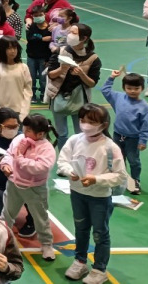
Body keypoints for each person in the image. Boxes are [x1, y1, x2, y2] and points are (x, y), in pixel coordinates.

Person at [56, 104, 128, 284]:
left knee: (100, 233)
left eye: (91, 122)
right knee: (80, 229)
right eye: (82, 120)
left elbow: (120, 176)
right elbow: (62, 161)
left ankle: (99, 269)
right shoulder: (74, 140)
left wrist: (96, 179)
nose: (85, 124)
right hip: (77, 193)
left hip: (99, 198)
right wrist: (70, 172)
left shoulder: (110, 148)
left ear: (103, 125)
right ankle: (80, 261)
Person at [0, 114, 58, 262]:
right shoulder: (19, 139)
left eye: (28, 131)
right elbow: (9, 154)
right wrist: (6, 164)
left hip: (35, 188)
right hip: (14, 183)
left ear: (40, 134)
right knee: (6, 213)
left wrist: (20, 159)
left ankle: (46, 244)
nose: (24, 133)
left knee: (40, 217)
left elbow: (41, 167)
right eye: (24, 129)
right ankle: (1, 239)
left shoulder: (47, 148)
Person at [45, 24, 101, 148]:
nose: (69, 35)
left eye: (74, 33)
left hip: (79, 99)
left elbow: (92, 83)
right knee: (62, 134)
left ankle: (79, 155)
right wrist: (61, 70)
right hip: (58, 96)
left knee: (80, 133)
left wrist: (82, 74)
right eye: (69, 32)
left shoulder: (93, 58)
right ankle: (63, 156)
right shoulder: (60, 51)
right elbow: (50, 74)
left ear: (84, 38)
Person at [102, 70, 148, 194]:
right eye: (129, 88)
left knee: (133, 161)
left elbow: (145, 126)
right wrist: (111, 78)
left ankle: (135, 181)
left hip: (133, 139)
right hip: (117, 136)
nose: (132, 91)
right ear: (124, 88)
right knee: (118, 159)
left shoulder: (144, 107)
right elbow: (105, 90)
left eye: (136, 88)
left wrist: (143, 141)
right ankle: (118, 180)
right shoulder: (118, 97)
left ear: (142, 88)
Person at [0, 37, 32, 118]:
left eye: (15, 48)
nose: (13, 51)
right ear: (3, 49)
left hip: (19, 111)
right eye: (9, 48)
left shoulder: (23, 67)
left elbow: (27, 90)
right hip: (1, 111)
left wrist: (24, 110)